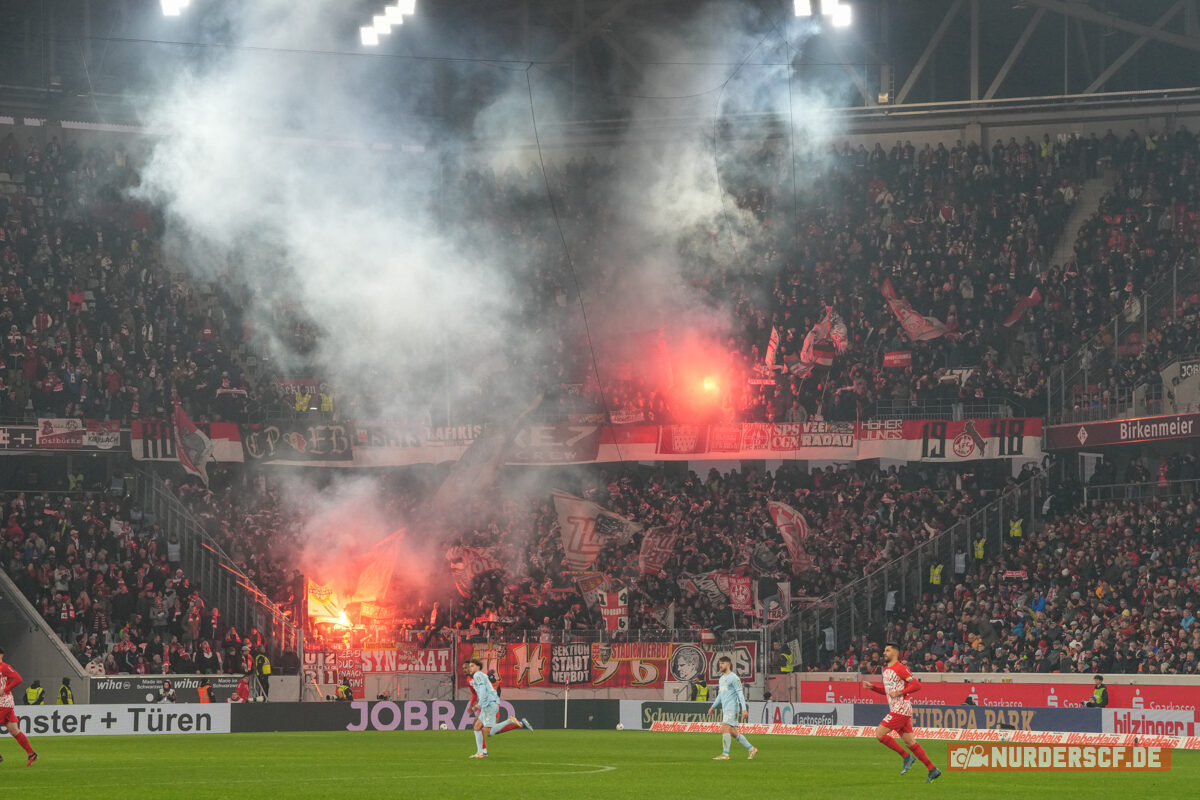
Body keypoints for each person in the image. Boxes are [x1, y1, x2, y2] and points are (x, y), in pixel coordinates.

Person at [863, 642, 940, 783]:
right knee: (910, 742)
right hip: (897, 709)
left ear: (895, 653)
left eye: (887, 650)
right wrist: (872, 687)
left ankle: (906, 757)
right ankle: (932, 769)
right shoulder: (886, 670)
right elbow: (888, 692)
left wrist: (901, 692)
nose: (884, 653)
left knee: (879, 734)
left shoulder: (900, 668)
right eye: (884, 650)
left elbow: (916, 685)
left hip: (902, 708)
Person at [463, 659, 531, 758]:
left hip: (489, 704)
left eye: (472, 666)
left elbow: (482, 690)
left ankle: (510, 721)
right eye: (470, 666)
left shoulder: (478, 675)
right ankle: (480, 753)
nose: (470, 668)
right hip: (489, 703)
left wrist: (479, 704)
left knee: (489, 732)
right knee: (477, 727)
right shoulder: (480, 676)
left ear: (478, 667)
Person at [706, 655, 756, 760]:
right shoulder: (721, 678)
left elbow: (740, 693)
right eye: (720, 663)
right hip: (726, 708)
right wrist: (713, 706)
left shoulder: (734, 678)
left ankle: (725, 754)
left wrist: (744, 708)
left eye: (722, 663)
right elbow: (720, 695)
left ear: (728, 664)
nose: (720, 665)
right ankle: (752, 749)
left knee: (724, 728)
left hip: (732, 707)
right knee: (733, 733)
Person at [0, 646, 38, 766]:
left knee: (13, 730)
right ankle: (31, 754)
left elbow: (18, 679)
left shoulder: (5, 667)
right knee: (13, 730)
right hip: (3, 703)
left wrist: (5, 689)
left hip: (4, 702)